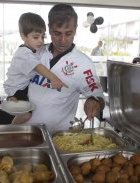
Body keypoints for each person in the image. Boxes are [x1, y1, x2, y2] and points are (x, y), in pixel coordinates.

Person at [26, 3, 105, 134]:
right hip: (27, 131)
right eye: (57, 33)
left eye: (68, 33)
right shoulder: (35, 52)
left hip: (60, 137)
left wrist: (94, 101)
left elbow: (98, 96)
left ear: (76, 29)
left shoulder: (84, 63)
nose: (63, 40)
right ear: (49, 29)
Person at [3, 12, 67, 124]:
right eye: (36, 37)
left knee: (29, 110)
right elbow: (38, 67)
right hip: (16, 89)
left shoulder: (35, 48)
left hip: (24, 87)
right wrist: (54, 78)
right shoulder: (23, 53)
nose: (40, 41)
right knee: (26, 115)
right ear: (23, 36)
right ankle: (12, 128)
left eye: (43, 36)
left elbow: (47, 47)